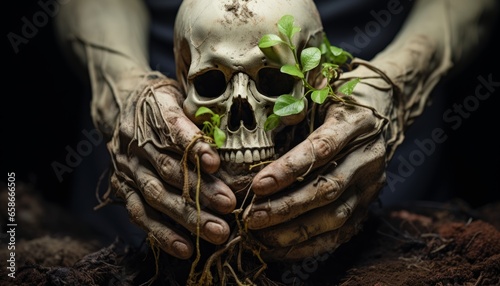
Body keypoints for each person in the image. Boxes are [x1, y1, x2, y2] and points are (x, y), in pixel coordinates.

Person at [53, 0, 498, 262]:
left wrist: (403, 81)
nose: (243, 115)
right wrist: (119, 83)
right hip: (145, 187)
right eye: (210, 84)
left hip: (383, 183)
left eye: (276, 83)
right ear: (185, 71)